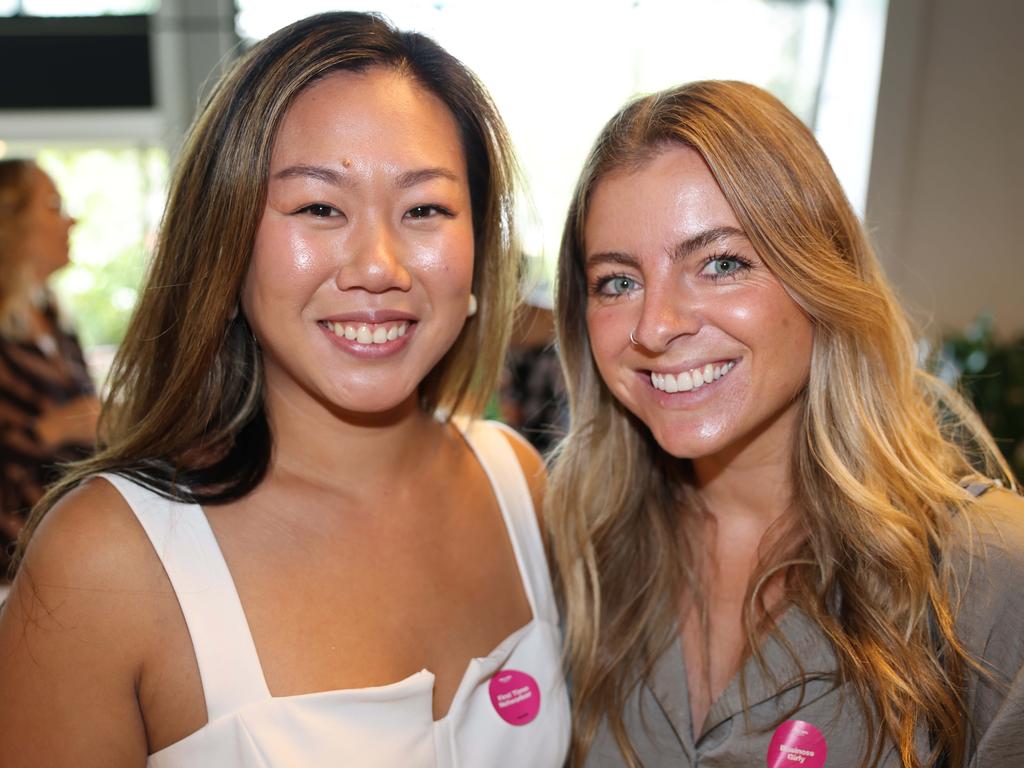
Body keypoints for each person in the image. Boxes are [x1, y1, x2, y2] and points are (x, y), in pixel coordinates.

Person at [0, 12, 568, 767]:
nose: (379, 265)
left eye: (425, 208)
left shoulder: (517, 482)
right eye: (318, 208)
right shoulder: (106, 560)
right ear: (226, 243)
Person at [548, 80, 1024, 767]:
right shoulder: (576, 552)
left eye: (721, 264)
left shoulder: (988, 581)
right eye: (617, 282)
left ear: (820, 278)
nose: (654, 327)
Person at [0, 159, 99, 577]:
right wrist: (54, 429)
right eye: (54, 206)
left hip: (63, 553)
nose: (71, 220)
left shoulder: (54, 321)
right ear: (9, 221)